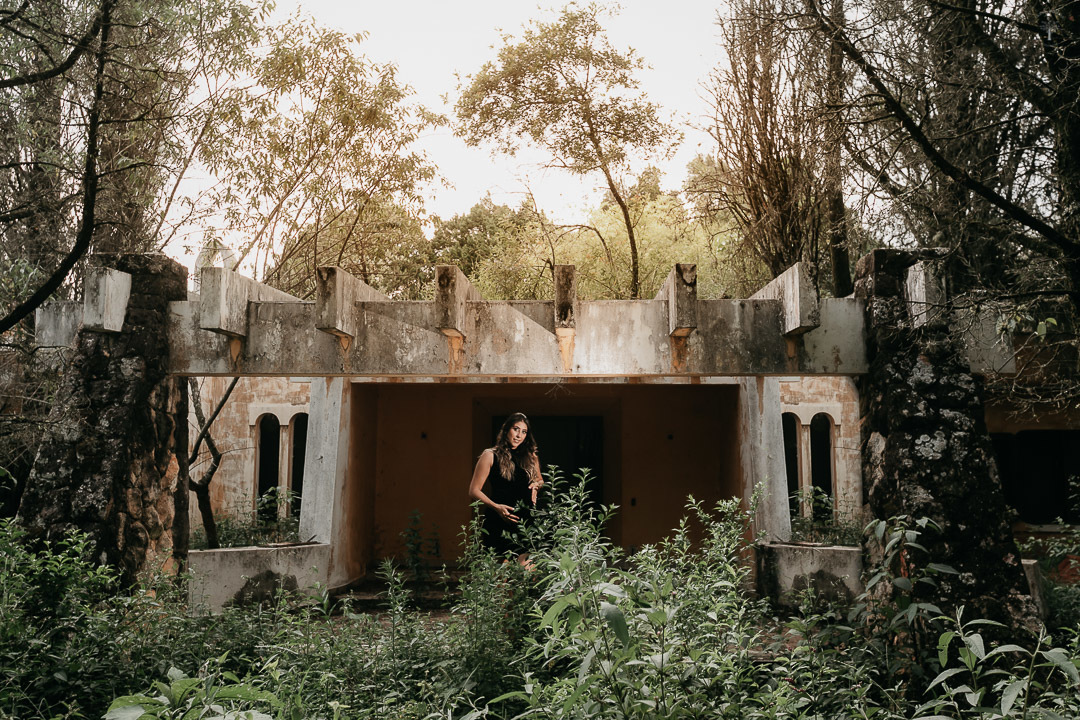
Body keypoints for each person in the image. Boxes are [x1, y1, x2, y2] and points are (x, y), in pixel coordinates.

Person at [468, 412, 544, 565]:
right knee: (501, 574)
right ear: (506, 430)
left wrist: (536, 485)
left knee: (527, 571)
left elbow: (540, 480)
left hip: (526, 520)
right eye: (516, 429)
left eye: (524, 432)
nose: (519, 435)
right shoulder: (490, 455)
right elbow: (474, 490)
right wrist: (496, 507)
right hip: (499, 519)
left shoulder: (530, 456)